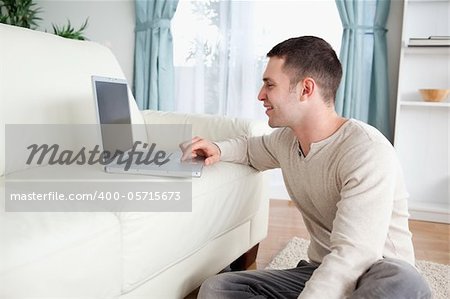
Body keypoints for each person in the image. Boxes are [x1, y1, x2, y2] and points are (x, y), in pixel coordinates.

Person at [181, 36, 431, 299]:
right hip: (321, 270)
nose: (260, 95)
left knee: (397, 280)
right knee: (219, 287)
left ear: (305, 89)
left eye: (270, 85)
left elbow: (355, 255)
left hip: (378, 274)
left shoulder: (366, 150)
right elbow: (250, 150)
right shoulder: (286, 142)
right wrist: (217, 149)